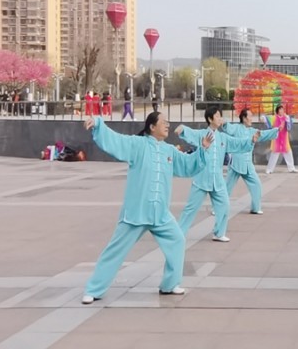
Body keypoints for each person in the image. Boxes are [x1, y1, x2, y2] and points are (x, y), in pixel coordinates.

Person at [80, 112, 212, 304]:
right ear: (152, 126)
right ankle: (94, 289)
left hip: (160, 214)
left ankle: (170, 284)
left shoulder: (169, 151)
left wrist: (202, 150)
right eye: (163, 122)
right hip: (136, 212)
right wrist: (98, 124)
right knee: (114, 251)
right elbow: (115, 140)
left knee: (177, 241)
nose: (167, 124)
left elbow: (188, 166)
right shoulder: (137, 145)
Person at [176, 107, 260, 242]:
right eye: (218, 116)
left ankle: (219, 233)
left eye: (221, 116)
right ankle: (178, 234)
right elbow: (188, 132)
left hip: (217, 179)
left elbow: (236, 143)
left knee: (225, 205)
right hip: (201, 178)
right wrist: (182, 129)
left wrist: (251, 140)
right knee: (191, 208)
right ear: (210, 119)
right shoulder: (202, 134)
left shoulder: (223, 137)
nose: (220, 119)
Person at [222, 108, 279, 214]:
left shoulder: (253, 131)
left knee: (256, 184)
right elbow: (227, 127)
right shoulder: (236, 128)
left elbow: (263, 134)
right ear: (244, 118)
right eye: (250, 116)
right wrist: (223, 121)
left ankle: (255, 208)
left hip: (248, 164)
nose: (252, 119)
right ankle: (218, 208)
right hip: (236, 164)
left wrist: (276, 130)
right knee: (227, 187)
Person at [265, 105, 298, 174]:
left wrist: (287, 120)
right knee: (274, 155)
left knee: (289, 153)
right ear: (277, 111)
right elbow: (267, 120)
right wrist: (264, 118)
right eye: (280, 109)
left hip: (284, 139)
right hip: (276, 139)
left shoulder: (286, 118)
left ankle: (291, 168)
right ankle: (269, 169)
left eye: (282, 109)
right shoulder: (274, 118)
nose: (282, 111)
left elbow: (289, 127)